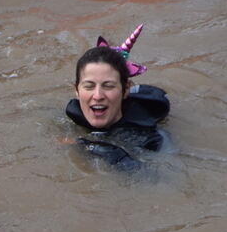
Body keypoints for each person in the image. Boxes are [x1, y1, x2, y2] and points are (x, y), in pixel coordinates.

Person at [65, 25, 170, 172]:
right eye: (89, 86)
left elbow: (157, 181)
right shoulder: (67, 120)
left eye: (108, 86)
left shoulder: (151, 139)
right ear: (76, 90)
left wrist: (107, 151)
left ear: (125, 89)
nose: (98, 96)